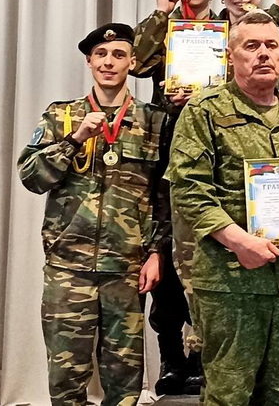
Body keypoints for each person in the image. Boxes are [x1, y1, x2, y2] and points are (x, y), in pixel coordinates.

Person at [166, 10, 279, 405]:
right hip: (230, 281)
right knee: (229, 393)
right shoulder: (204, 111)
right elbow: (189, 188)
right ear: (231, 55)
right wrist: (239, 242)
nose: (263, 54)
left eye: (271, 45)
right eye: (251, 46)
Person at [18, 23, 169, 405]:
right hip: (69, 267)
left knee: (124, 380)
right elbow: (31, 177)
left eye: (119, 55)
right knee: (66, 377)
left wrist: (157, 252)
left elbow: (162, 195)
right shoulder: (62, 116)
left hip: (126, 268)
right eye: (101, 54)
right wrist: (75, 140)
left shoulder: (154, 121)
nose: (109, 62)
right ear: (89, 61)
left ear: (132, 62)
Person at [131, 0, 219, 395]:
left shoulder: (227, 28)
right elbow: (137, 62)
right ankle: (170, 356)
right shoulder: (163, 27)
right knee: (164, 244)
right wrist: (158, 15)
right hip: (167, 141)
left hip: (215, 144)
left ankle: (203, 355)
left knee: (209, 244)